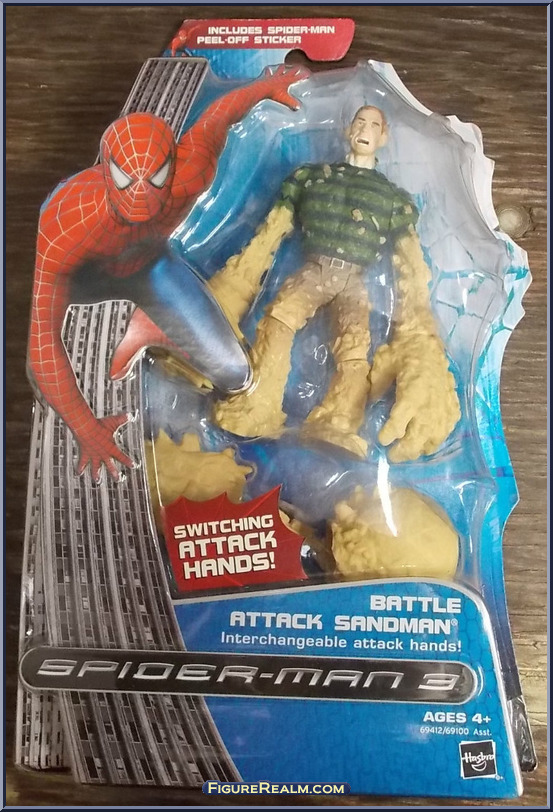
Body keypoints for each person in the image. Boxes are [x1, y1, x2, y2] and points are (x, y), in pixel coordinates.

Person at [28, 65, 308, 480]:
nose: (140, 195)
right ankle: (131, 324)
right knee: (44, 356)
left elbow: (218, 116)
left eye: (155, 177)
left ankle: (145, 322)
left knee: (235, 372)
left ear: (171, 166)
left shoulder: (192, 170)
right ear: (106, 169)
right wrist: (86, 429)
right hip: (83, 286)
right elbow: (41, 339)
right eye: (125, 179)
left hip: (150, 267)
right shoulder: (68, 218)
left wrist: (266, 85)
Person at [213, 106, 460, 462]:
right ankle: (258, 403)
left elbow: (410, 262)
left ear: (384, 137)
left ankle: (340, 422)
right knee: (278, 321)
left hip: (353, 280)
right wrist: (236, 283)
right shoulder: (309, 178)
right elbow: (271, 232)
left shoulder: (391, 199)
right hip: (314, 270)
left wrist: (420, 335)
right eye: (360, 122)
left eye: (373, 125)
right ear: (348, 129)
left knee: (355, 350)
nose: (365, 129)